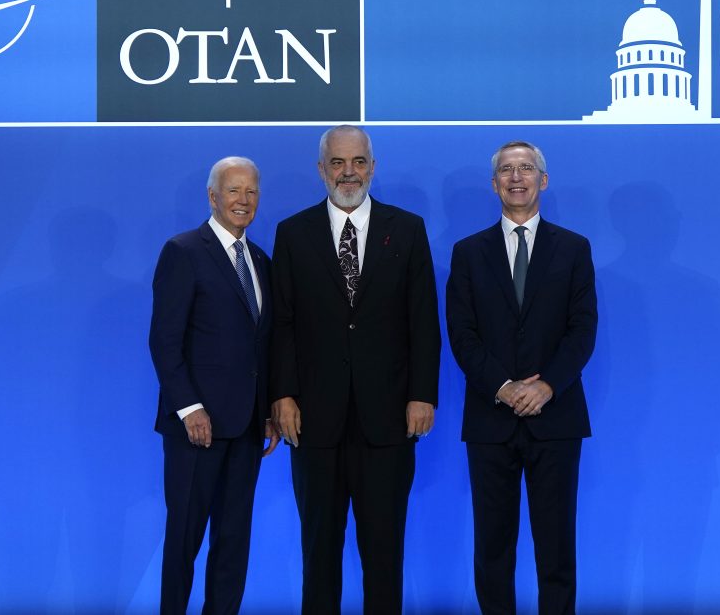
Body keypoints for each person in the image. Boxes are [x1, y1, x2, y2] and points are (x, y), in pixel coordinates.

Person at [269, 125, 440, 615]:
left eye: (359, 162)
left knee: (384, 552)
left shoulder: (407, 229)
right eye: (338, 163)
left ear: (373, 166)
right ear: (321, 169)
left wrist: (422, 394)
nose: (349, 173)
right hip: (313, 422)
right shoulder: (292, 232)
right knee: (318, 551)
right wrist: (282, 395)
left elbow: (422, 320)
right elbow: (282, 324)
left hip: (388, 419)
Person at [446, 140, 597, 615]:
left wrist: (546, 386)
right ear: (494, 185)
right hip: (491, 421)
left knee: (556, 548)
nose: (517, 177)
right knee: (492, 549)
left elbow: (582, 329)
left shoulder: (574, 249)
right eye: (507, 170)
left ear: (543, 180)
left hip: (556, 419)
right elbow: (462, 334)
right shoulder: (468, 253)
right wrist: (505, 388)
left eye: (526, 168)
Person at [148, 156, 279, 615]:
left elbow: (261, 347)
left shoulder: (261, 260)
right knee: (184, 538)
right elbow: (165, 340)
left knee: (233, 541)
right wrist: (189, 408)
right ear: (212, 196)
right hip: (195, 430)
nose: (243, 201)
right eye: (233, 191)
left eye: (252, 192)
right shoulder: (183, 251)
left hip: (245, 430)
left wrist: (267, 412)